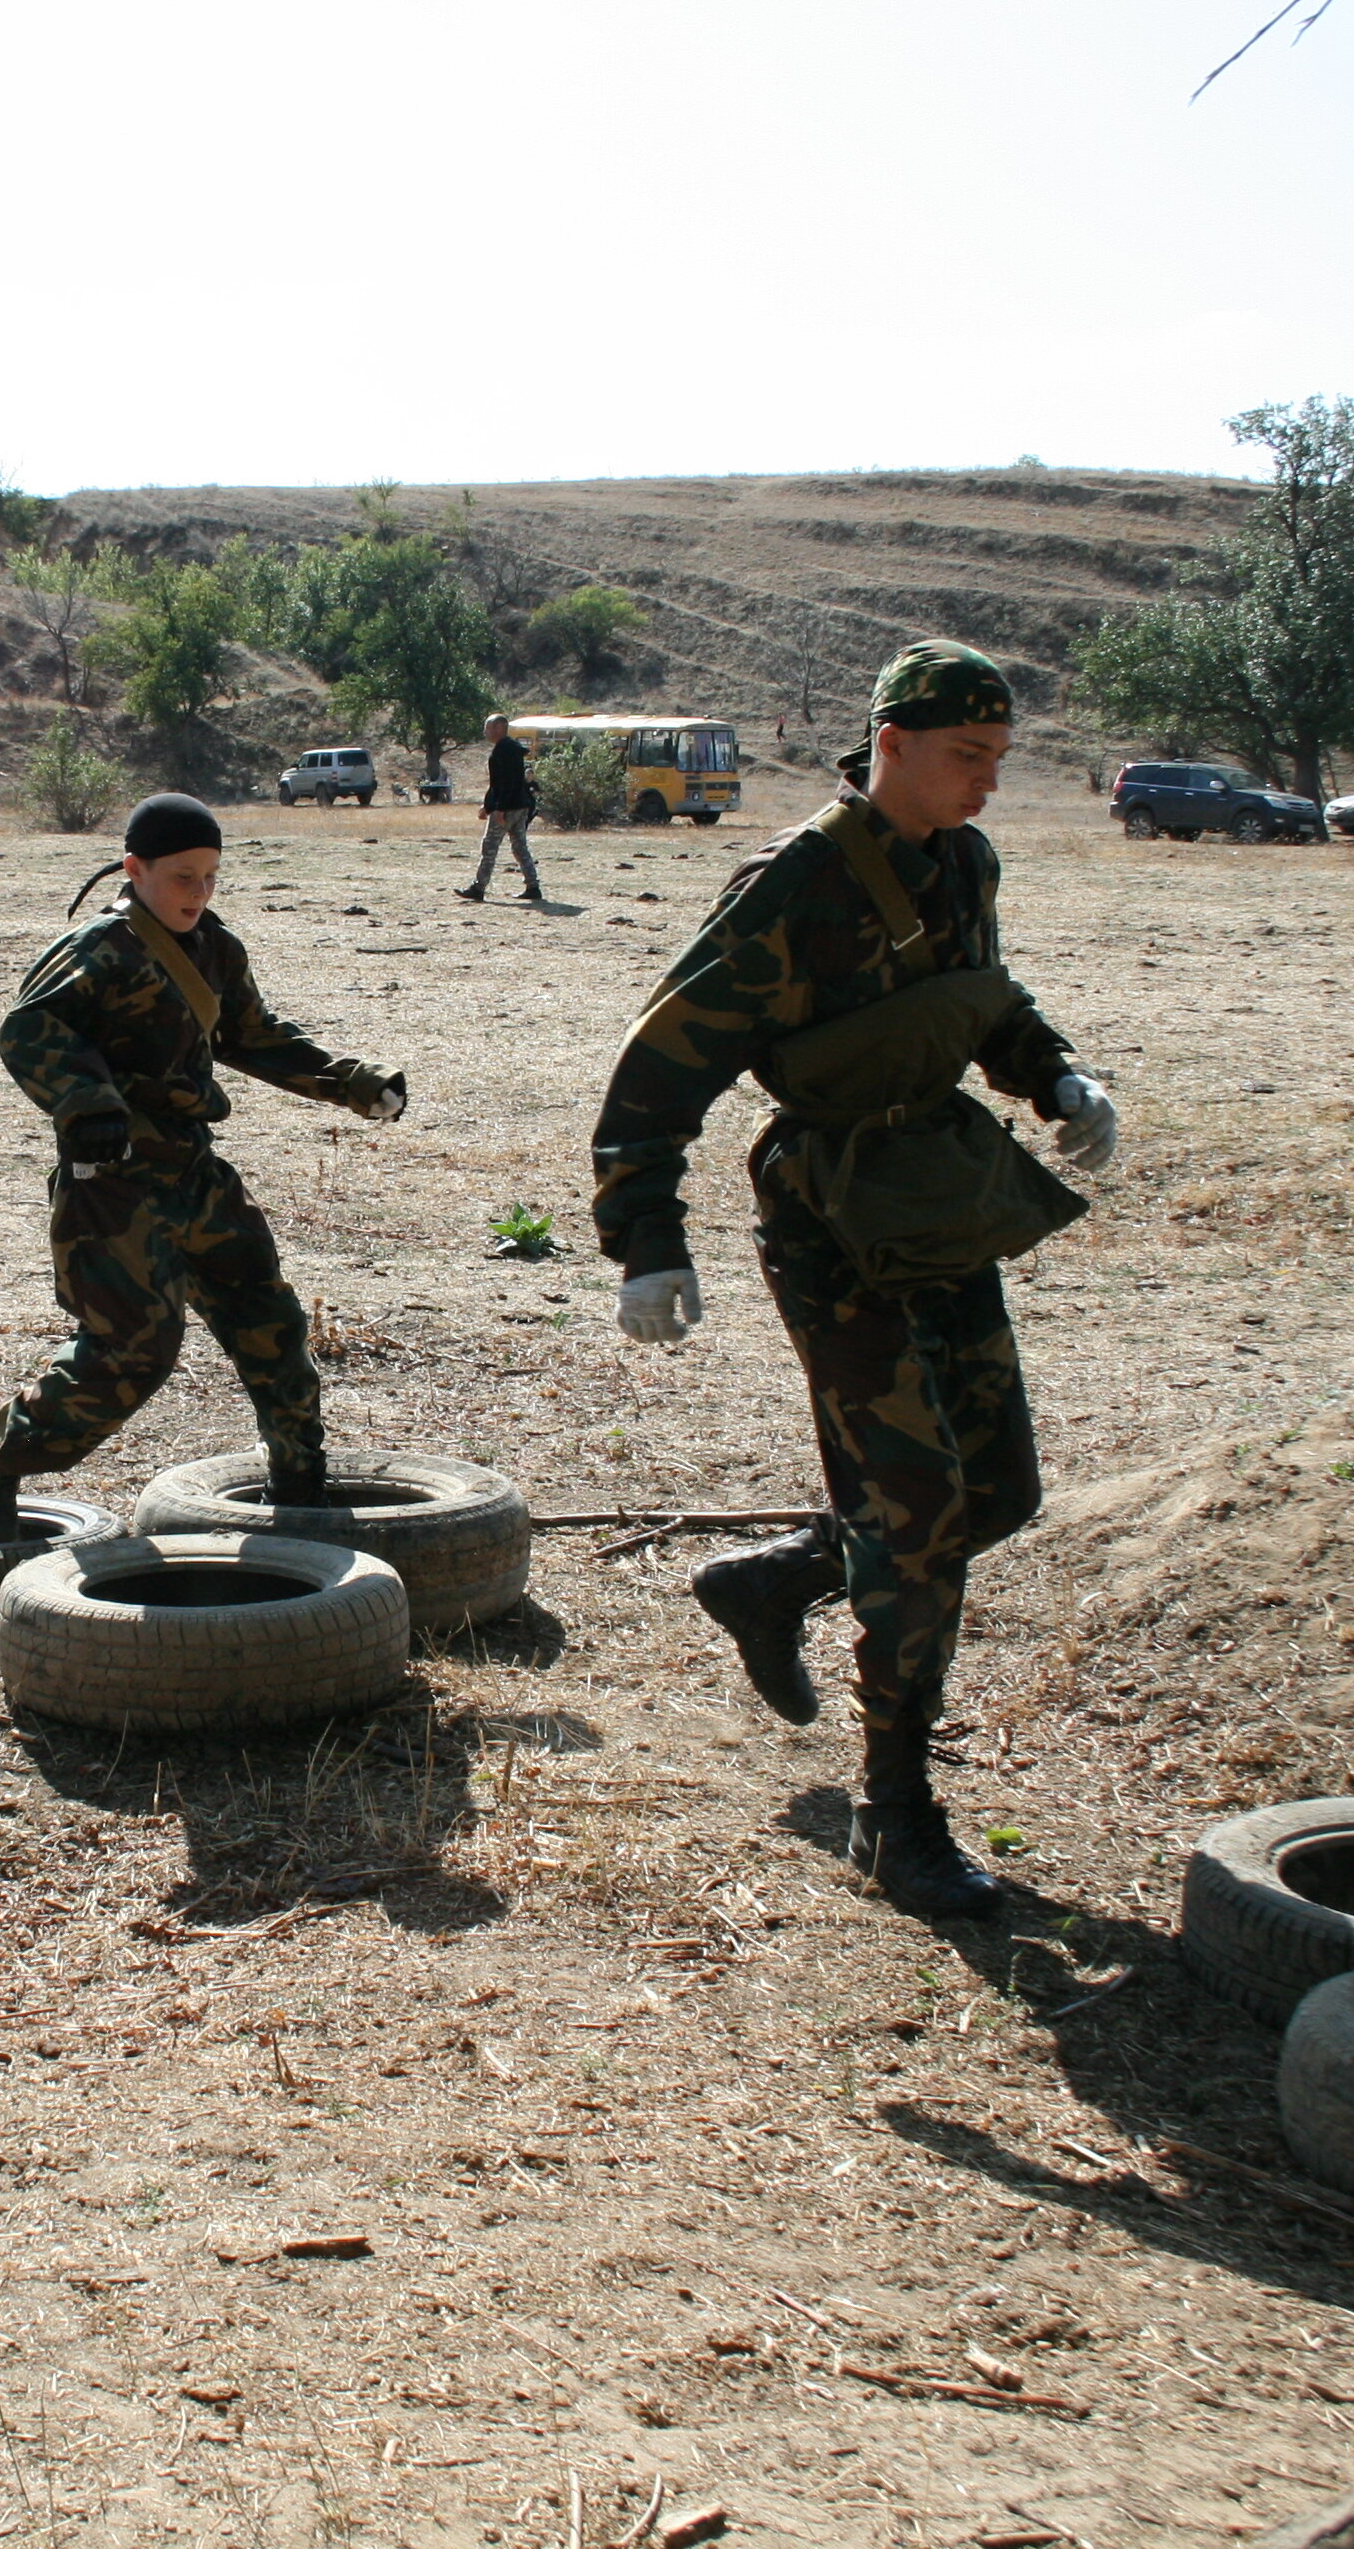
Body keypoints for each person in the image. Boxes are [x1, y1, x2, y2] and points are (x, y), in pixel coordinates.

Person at [587, 642, 1120, 1919]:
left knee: (995, 1489)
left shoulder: (963, 863)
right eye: (965, 759)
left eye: (999, 760)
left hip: (935, 1197)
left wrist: (1053, 1076)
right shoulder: (798, 888)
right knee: (922, 1518)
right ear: (891, 743)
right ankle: (900, 1813)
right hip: (832, 1218)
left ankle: (777, 1580)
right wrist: (647, 1241)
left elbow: (983, 1002)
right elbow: (661, 1065)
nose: (988, 783)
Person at [0, 793, 409, 1544]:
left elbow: (255, 1037)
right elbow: (29, 1028)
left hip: (195, 1171)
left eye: (210, 878)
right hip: (114, 1184)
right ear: (135, 871)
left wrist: (351, 1080)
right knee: (136, 1352)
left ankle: (301, 1491)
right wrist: (86, 1101)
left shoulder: (216, 951)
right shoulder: (100, 948)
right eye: (181, 877)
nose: (197, 894)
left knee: (271, 1322)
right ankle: (0, 1443)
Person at [460, 715, 543, 904]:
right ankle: (533, 887)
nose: (485, 732)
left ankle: (478, 888)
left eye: (488, 727)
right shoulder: (512, 749)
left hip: (508, 807)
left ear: (499, 728)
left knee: (489, 846)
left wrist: (498, 808)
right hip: (520, 805)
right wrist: (488, 805)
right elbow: (505, 783)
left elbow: (505, 783)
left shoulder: (502, 752)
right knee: (520, 846)